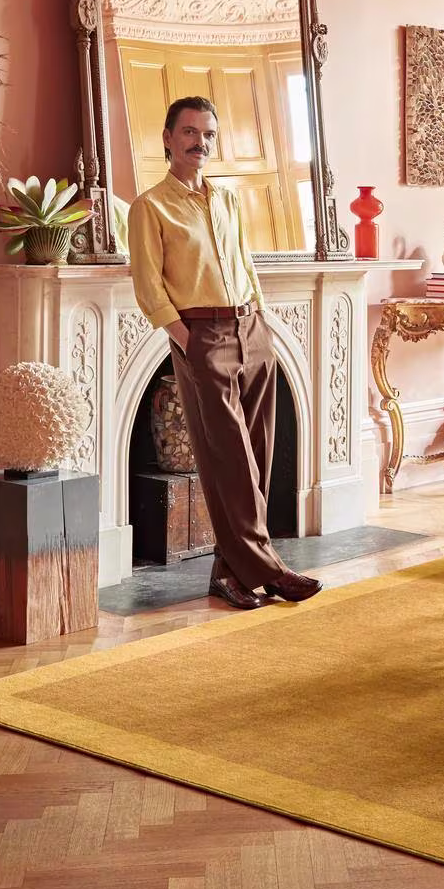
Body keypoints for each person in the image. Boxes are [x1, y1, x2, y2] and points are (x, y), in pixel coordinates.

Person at [127, 95, 322, 610]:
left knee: (257, 456)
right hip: (201, 336)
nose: (200, 143)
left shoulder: (227, 201)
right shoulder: (150, 207)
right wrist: (187, 342)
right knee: (229, 461)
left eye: (208, 134)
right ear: (168, 139)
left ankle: (228, 575)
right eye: (189, 132)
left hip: (252, 331)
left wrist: (261, 320)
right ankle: (270, 569)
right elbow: (149, 288)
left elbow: (245, 264)